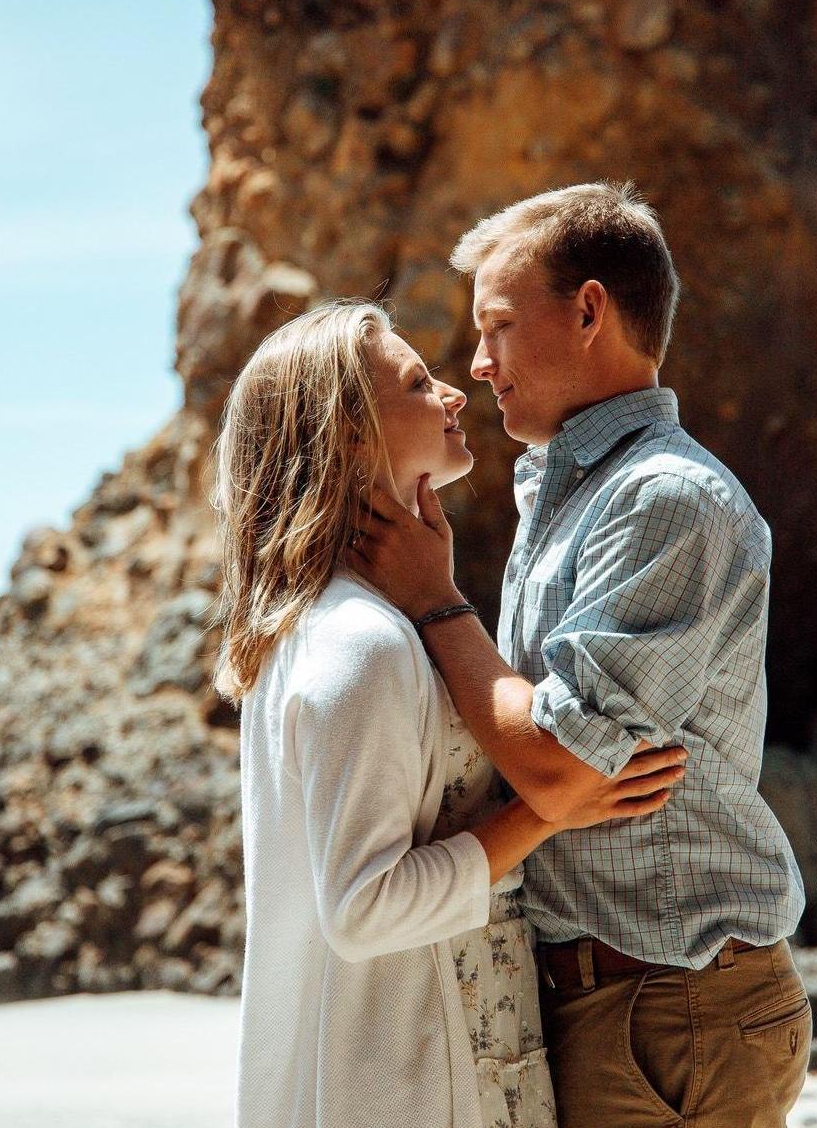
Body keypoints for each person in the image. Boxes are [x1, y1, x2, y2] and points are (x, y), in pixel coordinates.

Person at [347, 182, 812, 1128]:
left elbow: (555, 758)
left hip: (672, 1005)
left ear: (590, 310)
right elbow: (532, 747)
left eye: (500, 326)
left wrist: (436, 601)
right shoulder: (572, 497)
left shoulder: (664, 500)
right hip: (622, 998)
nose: (477, 364)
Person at [210, 298, 688, 1128]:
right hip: (411, 1083)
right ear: (350, 432)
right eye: (415, 382)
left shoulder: (321, 625)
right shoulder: (360, 642)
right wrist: (547, 807)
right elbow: (366, 908)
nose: (454, 391)